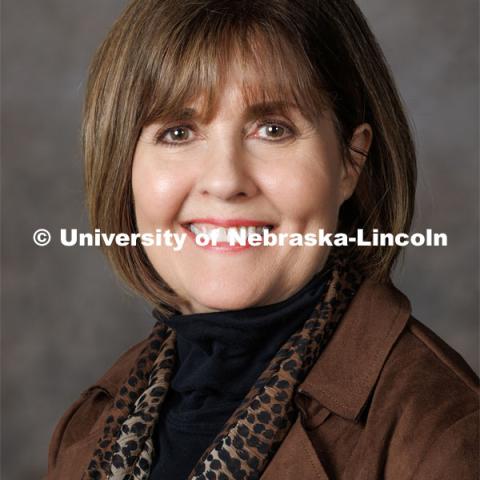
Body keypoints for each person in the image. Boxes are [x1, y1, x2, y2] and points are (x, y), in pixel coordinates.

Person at [44, 0, 479, 479]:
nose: (225, 181)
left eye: (273, 129)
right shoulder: (88, 430)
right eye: (178, 132)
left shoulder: (443, 435)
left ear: (351, 160)